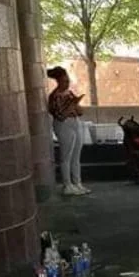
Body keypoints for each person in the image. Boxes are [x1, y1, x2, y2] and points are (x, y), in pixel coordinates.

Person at [46, 66, 90, 197]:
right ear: (58, 81)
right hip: (63, 125)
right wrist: (70, 106)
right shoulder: (54, 96)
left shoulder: (69, 93)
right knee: (66, 157)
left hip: (75, 122)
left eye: (68, 81)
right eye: (64, 81)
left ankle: (77, 183)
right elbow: (59, 115)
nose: (67, 83)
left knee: (76, 156)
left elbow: (80, 112)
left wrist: (76, 105)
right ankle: (67, 184)